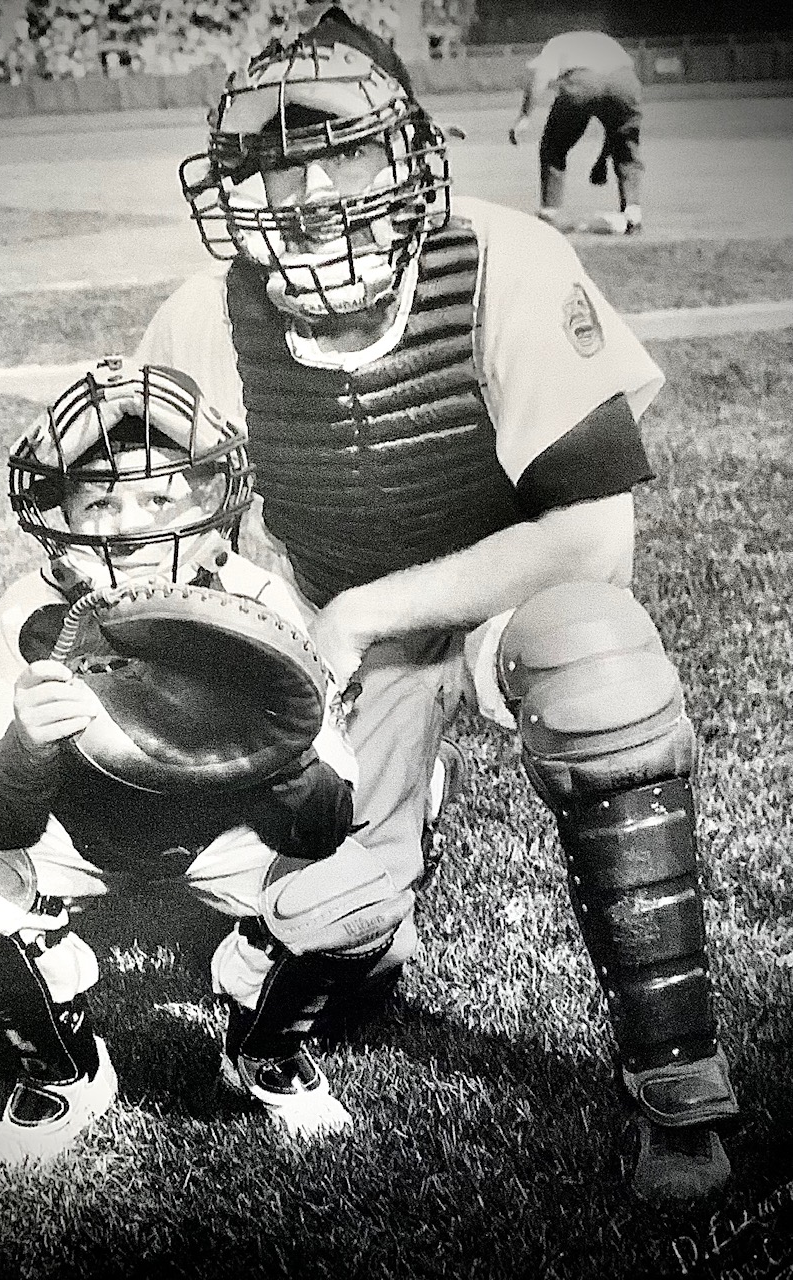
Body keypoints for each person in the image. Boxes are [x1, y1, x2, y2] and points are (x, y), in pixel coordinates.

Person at [130, 7, 739, 1201]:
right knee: (334, 912)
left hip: (500, 573)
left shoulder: (503, 259)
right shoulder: (203, 315)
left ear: (408, 155)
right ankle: (359, 920)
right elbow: (176, 554)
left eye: (344, 151)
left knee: (597, 663)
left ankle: (678, 1086)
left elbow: (587, 533)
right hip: (327, 598)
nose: (312, 189)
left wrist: (367, 611)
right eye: (280, 160)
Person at [0, 359, 429, 1166]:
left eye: (158, 497)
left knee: (360, 908)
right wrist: (27, 743)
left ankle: (260, 1039)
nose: (130, 525)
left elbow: (323, 824)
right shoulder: (27, 617)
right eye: (100, 500)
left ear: (214, 507)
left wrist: (278, 745)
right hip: (78, 831)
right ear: (57, 515)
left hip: (225, 830)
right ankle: (66, 1070)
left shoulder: (258, 601)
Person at [508, 29, 644, 235]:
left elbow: (541, 76)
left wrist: (525, 117)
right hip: (625, 81)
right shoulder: (603, 41)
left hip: (583, 80)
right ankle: (633, 215)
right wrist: (601, 162)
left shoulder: (555, 44)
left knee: (553, 147)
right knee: (627, 153)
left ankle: (549, 215)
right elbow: (617, 133)